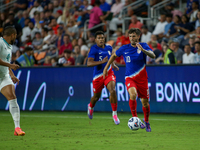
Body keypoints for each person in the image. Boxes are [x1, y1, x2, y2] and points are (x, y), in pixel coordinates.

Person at [103, 28, 156, 132]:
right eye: (130, 36)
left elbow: (153, 56)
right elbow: (113, 56)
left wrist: (144, 51)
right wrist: (106, 68)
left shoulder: (144, 45)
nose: (132, 38)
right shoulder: (124, 48)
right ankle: (136, 118)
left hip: (142, 79)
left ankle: (146, 121)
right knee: (133, 94)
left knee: (145, 103)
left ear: (138, 36)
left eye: (134, 36)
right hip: (130, 78)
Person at [87, 31, 120, 125]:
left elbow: (111, 57)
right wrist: (102, 62)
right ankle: (91, 106)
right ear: (96, 39)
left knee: (112, 90)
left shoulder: (109, 47)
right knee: (96, 97)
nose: (101, 39)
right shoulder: (94, 49)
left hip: (108, 73)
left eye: (102, 38)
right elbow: (89, 63)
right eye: (99, 38)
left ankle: (114, 114)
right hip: (98, 76)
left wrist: (113, 64)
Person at [0, 26, 25, 136]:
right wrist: (10, 65)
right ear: (13, 35)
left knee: (12, 97)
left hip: (4, 76)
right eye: (16, 35)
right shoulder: (0, 43)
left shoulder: (9, 46)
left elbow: (5, 61)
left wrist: (12, 75)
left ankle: (17, 128)